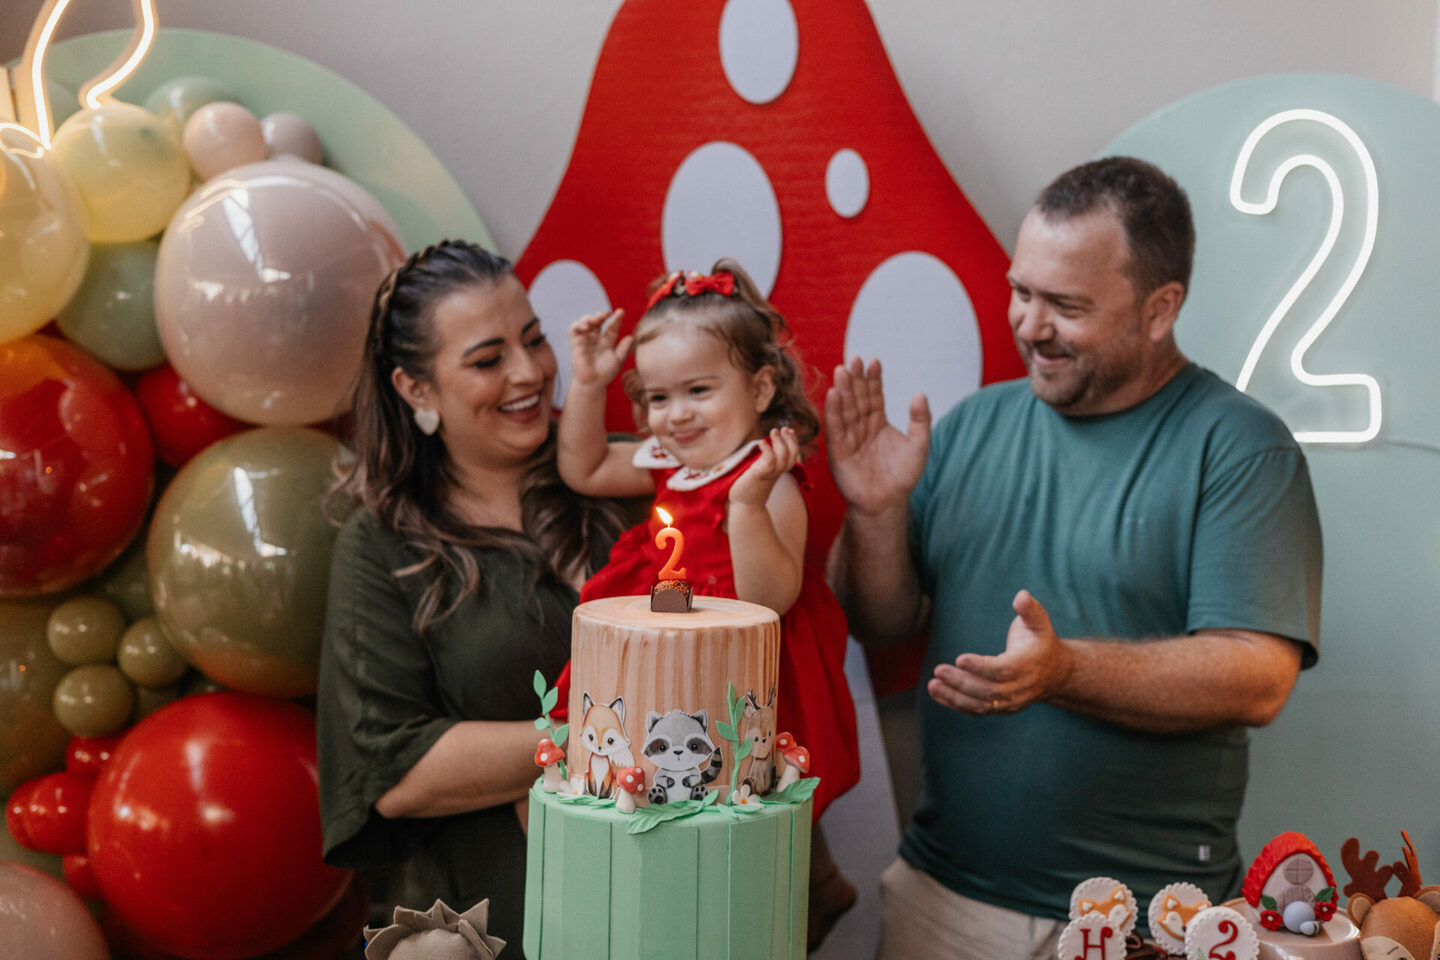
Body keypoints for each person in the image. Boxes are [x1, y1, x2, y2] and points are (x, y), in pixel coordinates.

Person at [826, 157, 1323, 960]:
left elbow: (1257, 676)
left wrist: (1063, 671)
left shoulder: (1240, 448)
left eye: (1066, 305)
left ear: (1161, 310)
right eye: (1022, 291)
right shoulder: (971, 426)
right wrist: (875, 513)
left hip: (1146, 920)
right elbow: (881, 622)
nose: (1028, 325)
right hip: (945, 897)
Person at [316, 240, 632, 954]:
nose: (529, 374)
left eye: (534, 340)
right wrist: (606, 743)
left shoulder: (620, 478)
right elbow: (396, 771)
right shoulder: (382, 546)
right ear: (416, 390)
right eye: (488, 360)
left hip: (672, 911)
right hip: (495, 930)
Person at [556, 259, 861, 948]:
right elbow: (582, 466)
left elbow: (768, 597)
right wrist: (586, 383)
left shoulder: (769, 475)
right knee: (684, 781)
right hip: (680, 638)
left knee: (758, 789)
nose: (676, 414)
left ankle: (808, 890)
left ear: (759, 387)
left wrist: (748, 501)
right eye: (658, 398)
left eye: (698, 389)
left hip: (755, 655)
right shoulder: (671, 460)